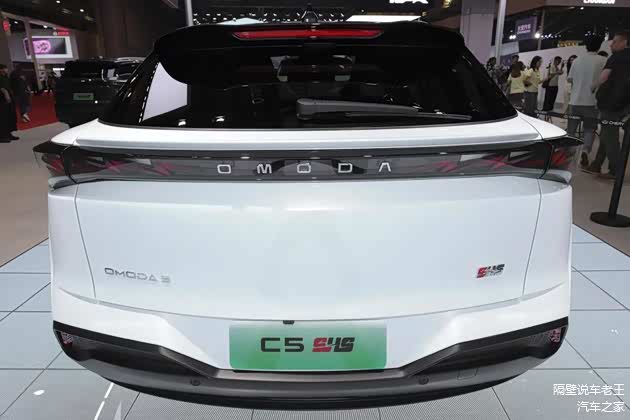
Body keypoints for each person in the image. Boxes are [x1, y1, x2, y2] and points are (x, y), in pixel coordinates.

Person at [586, 31, 630, 179]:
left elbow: (604, 77)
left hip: (611, 103)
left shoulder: (616, 57)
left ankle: (616, 171)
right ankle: (596, 164)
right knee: (607, 133)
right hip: (625, 104)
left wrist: (593, 86)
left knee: (609, 137)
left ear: (624, 42)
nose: (611, 44)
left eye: (615, 41)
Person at [565, 36, 607, 168]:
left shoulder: (577, 60)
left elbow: (569, 79)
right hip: (592, 102)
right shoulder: (603, 60)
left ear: (586, 46)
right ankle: (585, 151)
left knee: (571, 129)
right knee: (589, 129)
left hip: (575, 101)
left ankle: (569, 152)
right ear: (599, 46)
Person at [0, 64, 18, 142]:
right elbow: (2, 89)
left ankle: (8, 134)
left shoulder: (6, 77)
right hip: (2, 100)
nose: (6, 70)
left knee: (9, 116)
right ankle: (2, 136)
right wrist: (6, 95)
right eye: (4, 68)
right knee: (3, 118)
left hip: (9, 99)